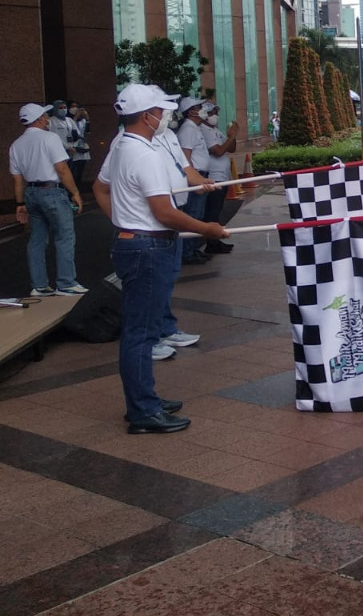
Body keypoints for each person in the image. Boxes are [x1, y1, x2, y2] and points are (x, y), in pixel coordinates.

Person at [95, 84, 227, 434]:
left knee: (144, 330)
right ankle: (143, 411)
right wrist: (206, 228)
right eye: (160, 111)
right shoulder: (144, 154)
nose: (165, 116)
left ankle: (144, 399)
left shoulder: (122, 146)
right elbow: (164, 212)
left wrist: (123, 223)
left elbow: (101, 187)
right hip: (148, 248)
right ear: (146, 116)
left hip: (139, 244)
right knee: (141, 334)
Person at [8, 103, 88, 297]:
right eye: (44, 115)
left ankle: (39, 285)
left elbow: (17, 180)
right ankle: (66, 283)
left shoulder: (16, 145)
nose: (47, 119)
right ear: (38, 118)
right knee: (64, 236)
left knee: (37, 239)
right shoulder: (50, 138)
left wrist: (20, 204)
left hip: (31, 193)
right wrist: (75, 193)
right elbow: (62, 169)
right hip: (52, 191)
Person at [199, 102, 238, 254]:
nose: (215, 116)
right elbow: (218, 151)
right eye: (211, 113)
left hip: (222, 176)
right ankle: (211, 242)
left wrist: (232, 136)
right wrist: (231, 137)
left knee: (217, 210)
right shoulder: (204, 130)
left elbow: (231, 148)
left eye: (216, 112)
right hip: (213, 177)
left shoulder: (215, 130)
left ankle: (214, 241)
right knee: (212, 211)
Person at [175, 97, 211, 264]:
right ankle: (187, 253)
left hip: (199, 175)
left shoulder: (194, 128)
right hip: (195, 177)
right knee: (193, 216)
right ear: (191, 112)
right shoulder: (188, 129)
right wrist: (194, 181)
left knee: (198, 215)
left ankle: (193, 250)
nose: (203, 109)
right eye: (199, 107)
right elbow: (186, 157)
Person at [66, 100, 91, 189]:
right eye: (72, 106)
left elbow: (87, 132)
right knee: (73, 172)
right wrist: (75, 117)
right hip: (72, 148)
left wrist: (87, 118)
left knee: (80, 172)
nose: (75, 108)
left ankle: (78, 190)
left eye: (76, 106)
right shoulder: (68, 120)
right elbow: (71, 131)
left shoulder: (82, 120)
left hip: (81, 148)